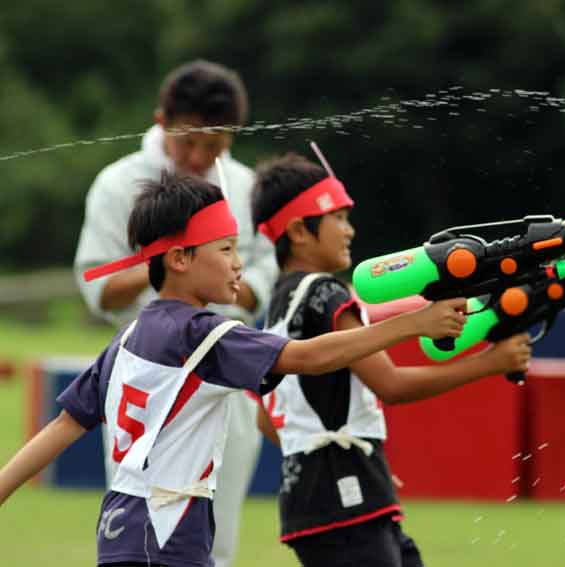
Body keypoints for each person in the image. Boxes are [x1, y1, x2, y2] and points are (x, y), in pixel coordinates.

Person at [0, 172, 469, 567]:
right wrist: (414, 324)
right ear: (180, 258)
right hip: (168, 533)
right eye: (224, 249)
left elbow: (64, 425)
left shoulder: (126, 337)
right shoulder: (204, 334)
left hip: (118, 530)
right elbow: (308, 356)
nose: (239, 264)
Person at [251, 151, 531, 567]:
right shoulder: (326, 294)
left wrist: (336, 455)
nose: (350, 230)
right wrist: (491, 363)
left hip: (318, 500)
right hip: (344, 500)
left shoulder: (279, 302)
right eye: (339, 218)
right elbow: (391, 385)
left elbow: (265, 418)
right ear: (299, 231)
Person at [73, 59, 277, 567]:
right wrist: (172, 261)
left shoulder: (246, 186)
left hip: (224, 369)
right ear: (161, 120)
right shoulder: (118, 184)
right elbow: (98, 286)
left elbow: (264, 276)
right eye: (188, 141)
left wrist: (228, 284)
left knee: (216, 535)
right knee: (134, 526)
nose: (199, 156)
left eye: (215, 145)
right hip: (143, 376)